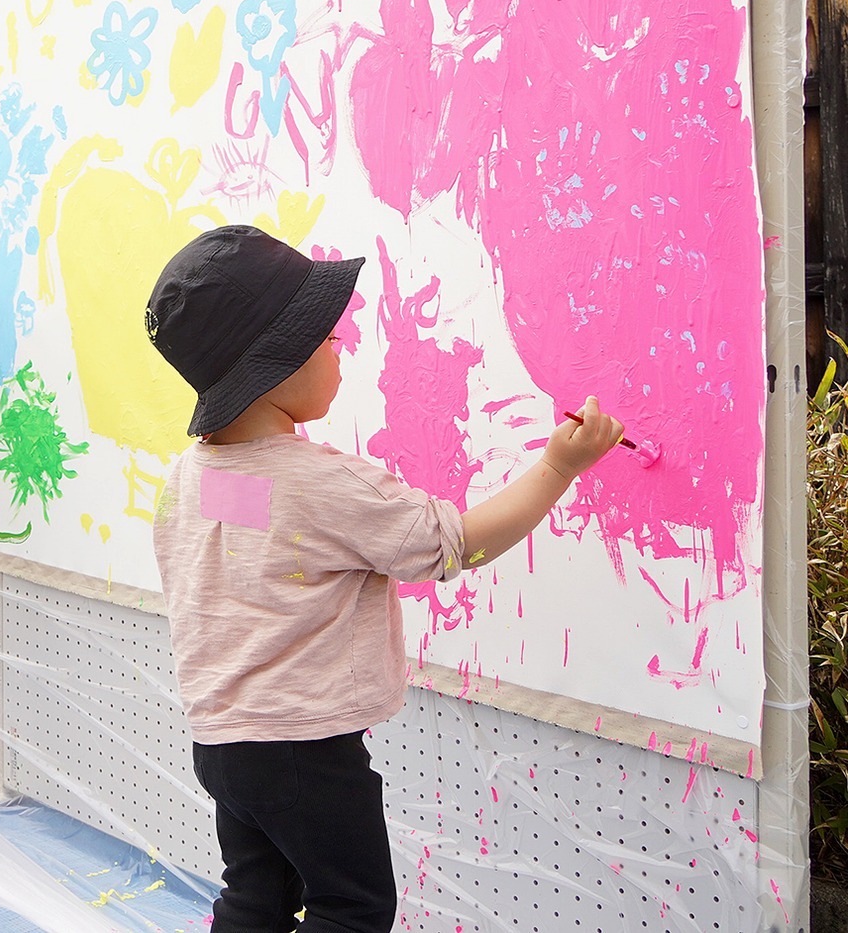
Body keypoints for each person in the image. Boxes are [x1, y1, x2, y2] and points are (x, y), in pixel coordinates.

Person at [144, 226, 626, 933]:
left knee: (256, 898)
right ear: (277, 364)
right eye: (329, 338)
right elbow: (456, 544)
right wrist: (559, 466)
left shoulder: (191, 479)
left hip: (224, 745)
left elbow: (271, 525)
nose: (343, 347)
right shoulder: (320, 485)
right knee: (354, 905)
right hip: (306, 751)